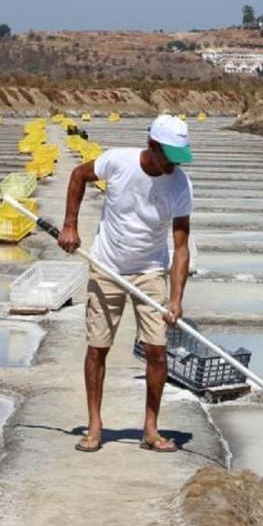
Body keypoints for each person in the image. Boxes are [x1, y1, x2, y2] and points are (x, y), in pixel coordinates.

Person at [58, 114, 194, 453]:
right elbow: (78, 175)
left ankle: (150, 429)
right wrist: (70, 225)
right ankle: (94, 426)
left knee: (157, 352)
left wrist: (176, 298)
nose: (175, 166)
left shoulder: (180, 184)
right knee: (98, 347)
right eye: (170, 157)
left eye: (180, 158)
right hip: (106, 267)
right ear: (152, 147)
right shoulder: (117, 161)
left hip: (150, 271)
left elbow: (180, 247)